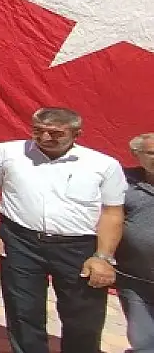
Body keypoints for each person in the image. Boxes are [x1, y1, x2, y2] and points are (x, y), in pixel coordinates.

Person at [0, 107, 126, 353]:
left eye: (55, 134)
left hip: (77, 247)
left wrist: (103, 257)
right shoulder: (6, 152)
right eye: (38, 131)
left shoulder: (103, 165)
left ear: (77, 133)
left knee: (83, 315)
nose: (45, 138)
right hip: (19, 241)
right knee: (22, 309)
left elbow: (112, 212)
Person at [119, 133, 154, 353]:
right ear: (136, 155)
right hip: (136, 281)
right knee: (143, 342)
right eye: (151, 153)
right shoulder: (122, 182)